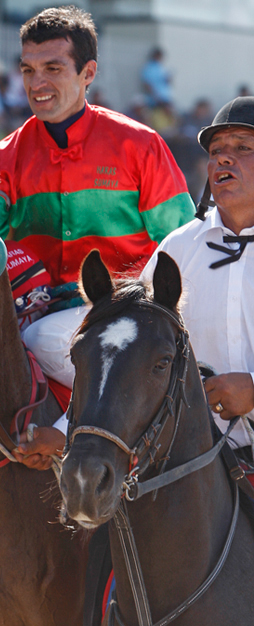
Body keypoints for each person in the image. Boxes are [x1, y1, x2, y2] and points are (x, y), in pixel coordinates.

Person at [0, 6, 194, 466]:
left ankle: (67, 436)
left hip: (129, 317)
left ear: (88, 73)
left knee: (39, 338)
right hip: (41, 316)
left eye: (52, 68)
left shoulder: (140, 145)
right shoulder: (5, 158)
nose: (37, 83)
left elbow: (181, 245)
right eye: (28, 70)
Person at [140, 95, 254, 454]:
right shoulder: (177, 249)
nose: (223, 158)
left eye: (243, 147)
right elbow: (133, 348)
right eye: (216, 150)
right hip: (194, 464)